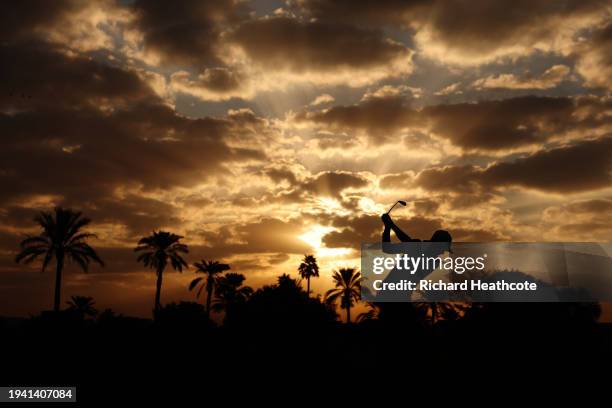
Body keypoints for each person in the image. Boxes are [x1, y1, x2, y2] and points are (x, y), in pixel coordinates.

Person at [376, 213, 452, 301]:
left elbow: (414, 251)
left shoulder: (434, 262)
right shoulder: (416, 246)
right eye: (442, 248)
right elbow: (387, 248)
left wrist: (391, 224)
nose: (442, 252)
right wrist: (387, 227)